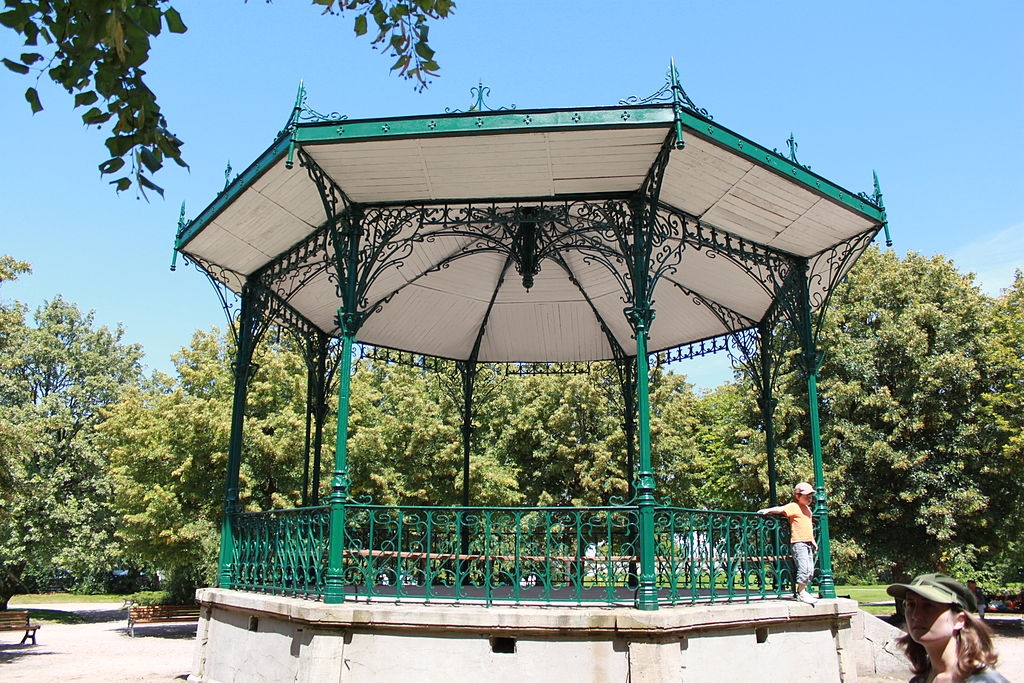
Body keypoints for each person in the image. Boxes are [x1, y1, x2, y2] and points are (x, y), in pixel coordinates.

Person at [887, 573, 1009, 682]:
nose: (916, 615)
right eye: (911, 604)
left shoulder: (984, 681)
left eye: (929, 606)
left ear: (960, 620)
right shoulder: (921, 680)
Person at [757, 481, 818, 604]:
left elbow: (808, 526)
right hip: (798, 542)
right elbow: (780, 509)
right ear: (798, 496)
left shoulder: (807, 509)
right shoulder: (794, 506)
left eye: (810, 497)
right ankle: (800, 593)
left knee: (810, 569)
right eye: (806, 496)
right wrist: (767, 510)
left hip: (808, 543)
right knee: (804, 568)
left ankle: (804, 591)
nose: (809, 499)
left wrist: (813, 541)